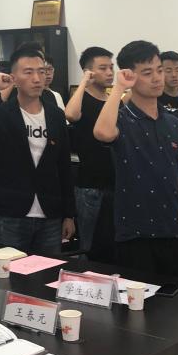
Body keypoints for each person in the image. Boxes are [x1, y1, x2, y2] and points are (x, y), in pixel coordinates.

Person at [93, 40, 178, 355]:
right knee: (136, 319)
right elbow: (103, 132)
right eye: (146, 72)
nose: (157, 78)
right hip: (134, 231)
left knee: (168, 316)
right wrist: (117, 88)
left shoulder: (174, 122)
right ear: (131, 76)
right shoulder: (122, 116)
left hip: (173, 230)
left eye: (159, 70)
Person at [0, 44, 75, 253]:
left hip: (50, 213)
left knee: (49, 270)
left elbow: (63, 166)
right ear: (13, 78)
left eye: (41, 71)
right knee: (10, 270)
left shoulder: (56, 115)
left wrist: (69, 214)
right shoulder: (3, 113)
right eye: (28, 72)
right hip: (11, 213)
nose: (37, 79)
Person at [64, 46, 116, 260]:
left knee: (112, 245)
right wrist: (84, 81)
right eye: (103, 68)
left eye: (111, 67)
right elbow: (70, 115)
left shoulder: (113, 100)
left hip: (115, 183)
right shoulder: (81, 99)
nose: (110, 72)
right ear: (89, 71)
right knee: (89, 246)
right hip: (90, 186)